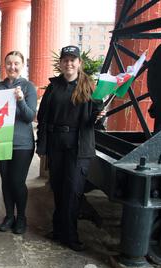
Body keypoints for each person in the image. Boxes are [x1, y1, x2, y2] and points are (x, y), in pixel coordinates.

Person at [36, 45, 104, 251]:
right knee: (57, 188)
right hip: (57, 143)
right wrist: (43, 146)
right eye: (65, 59)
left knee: (73, 191)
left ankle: (71, 236)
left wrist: (99, 117)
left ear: (79, 63)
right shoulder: (54, 86)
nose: (69, 63)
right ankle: (58, 231)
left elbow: (95, 120)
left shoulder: (90, 87)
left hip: (78, 144)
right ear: (61, 63)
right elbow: (43, 118)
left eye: (73, 59)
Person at [0, 51, 37, 234]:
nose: (12, 67)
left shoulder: (28, 87)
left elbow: (29, 117)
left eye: (16, 63)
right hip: (1, 141)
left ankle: (21, 217)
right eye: (9, 63)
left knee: (17, 181)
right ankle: (9, 216)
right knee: (5, 181)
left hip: (22, 143)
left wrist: (20, 100)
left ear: (22, 65)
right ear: (4, 65)